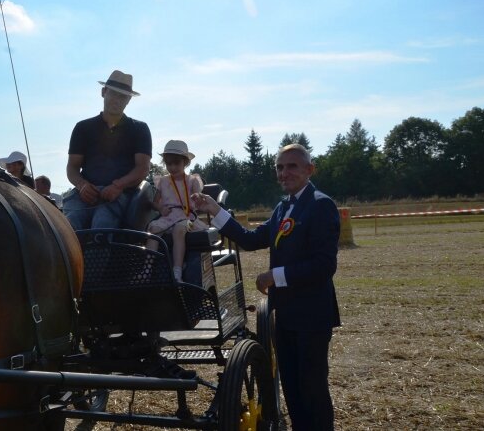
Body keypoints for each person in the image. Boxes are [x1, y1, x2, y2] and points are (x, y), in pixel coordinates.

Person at [192, 144, 340, 431]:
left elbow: (324, 266)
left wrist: (275, 275)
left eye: (292, 166)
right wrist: (215, 209)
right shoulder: (283, 207)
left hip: (311, 316)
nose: (284, 173)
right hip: (284, 315)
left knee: (312, 389)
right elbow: (249, 239)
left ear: (310, 169)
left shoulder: (321, 205)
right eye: (279, 167)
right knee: (293, 390)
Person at [64, 70, 152, 230]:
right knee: (68, 226)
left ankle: (98, 254)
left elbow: (142, 168)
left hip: (121, 195)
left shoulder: (140, 129)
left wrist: (119, 186)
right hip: (84, 193)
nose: (117, 100)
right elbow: (73, 166)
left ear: (129, 100)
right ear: (104, 92)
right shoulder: (82, 128)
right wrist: (82, 185)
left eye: (123, 96)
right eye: (114, 94)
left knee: (102, 223)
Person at [146, 140, 208, 281]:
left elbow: (198, 194)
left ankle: (177, 271)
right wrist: (161, 208)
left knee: (179, 229)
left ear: (185, 162)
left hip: (186, 217)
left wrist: (197, 196)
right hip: (168, 217)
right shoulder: (163, 181)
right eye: (168, 164)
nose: (172, 167)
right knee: (154, 229)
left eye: (176, 163)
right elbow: (155, 202)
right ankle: (147, 269)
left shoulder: (192, 180)